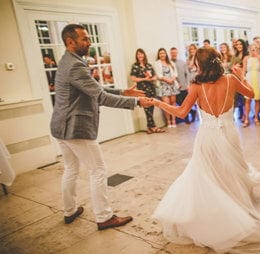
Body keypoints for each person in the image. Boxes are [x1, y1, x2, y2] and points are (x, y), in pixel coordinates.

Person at [150, 47, 260, 252]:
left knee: (207, 174)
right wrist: (242, 76)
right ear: (217, 61)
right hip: (229, 133)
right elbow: (251, 93)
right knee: (230, 172)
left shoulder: (196, 86)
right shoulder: (231, 79)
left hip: (207, 136)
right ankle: (235, 208)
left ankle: (214, 213)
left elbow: (181, 112)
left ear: (199, 65)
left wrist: (157, 102)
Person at [51, 24, 151, 230]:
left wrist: (124, 92)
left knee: (71, 168)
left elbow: (94, 88)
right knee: (98, 170)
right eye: (84, 39)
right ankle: (104, 217)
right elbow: (101, 96)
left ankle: (69, 211)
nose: (89, 42)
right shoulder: (76, 65)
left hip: (59, 125)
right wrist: (137, 103)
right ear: (71, 42)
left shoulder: (67, 61)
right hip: (75, 128)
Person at [129, 48, 165, 133]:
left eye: (141, 54)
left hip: (151, 89)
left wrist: (152, 78)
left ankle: (150, 127)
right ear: (136, 56)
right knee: (146, 108)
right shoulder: (135, 66)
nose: (140, 55)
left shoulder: (148, 65)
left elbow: (155, 76)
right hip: (142, 90)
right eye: (138, 54)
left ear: (144, 55)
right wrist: (144, 79)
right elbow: (133, 78)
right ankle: (154, 127)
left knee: (151, 108)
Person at [154, 48, 180, 128]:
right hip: (163, 85)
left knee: (173, 104)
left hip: (172, 85)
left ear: (166, 54)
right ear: (159, 55)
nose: (162, 55)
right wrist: (167, 80)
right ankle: (168, 121)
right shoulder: (157, 63)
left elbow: (175, 73)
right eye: (160, 53)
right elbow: (159, 75)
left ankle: (174, 120)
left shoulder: (171, 63)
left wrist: (172, 79)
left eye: (163, 53)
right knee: (166, 104)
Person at [242, 43, 260, 127]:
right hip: (249, 78)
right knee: (247, 100)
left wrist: (258, 57)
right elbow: (244, 69)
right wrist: (243, 80)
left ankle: (256, 118)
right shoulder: (246, 58)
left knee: (257, 99)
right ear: (249, 49)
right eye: (252, 48)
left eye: (255, 48)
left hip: (258, 77)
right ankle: (247, 119)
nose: (253, 50)